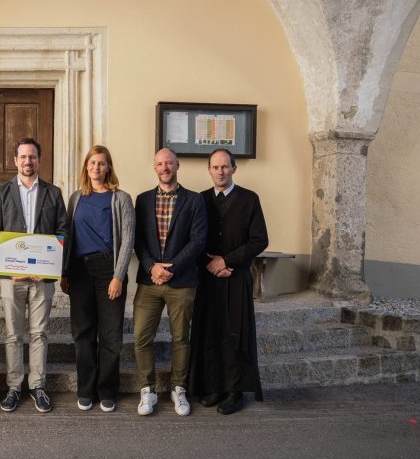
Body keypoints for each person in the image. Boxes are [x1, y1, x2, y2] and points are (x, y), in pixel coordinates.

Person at [0, 138, 68, 413]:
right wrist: (8, 266)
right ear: (15, 160)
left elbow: (62, 232)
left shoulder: (53, 193)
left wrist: (49, 266)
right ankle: (13, 386)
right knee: (13, 334)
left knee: (39, 333)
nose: (27, 161)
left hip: (42, 278)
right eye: (23, 157)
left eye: (32, 156)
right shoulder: (1, 192)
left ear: (39, 160)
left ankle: (37, 385)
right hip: (12, 278)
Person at [187, 148, 269, 415]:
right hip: (208, 279)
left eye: (225, 167)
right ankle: (213, 387)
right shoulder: (199, 200)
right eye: (215, 167)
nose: (220, 172)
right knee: (210, 332)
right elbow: (193, 239)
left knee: (235, 334)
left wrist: (227, 261)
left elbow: (259, 239)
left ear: (234, 168)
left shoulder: (249, 199)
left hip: (236, 277)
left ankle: (234, 391)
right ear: (209, 170)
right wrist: (210, 264)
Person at [133, 148, 207, 416]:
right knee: (141, 337)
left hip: (182, 281)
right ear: (154, 167)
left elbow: (198, 240)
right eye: (160, 163)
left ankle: (178, 388)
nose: (164, 167)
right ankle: (148, 389)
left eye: (169, 163)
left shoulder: (195, 200)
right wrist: (152, 266)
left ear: (178, 165)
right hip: (149, 280)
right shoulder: (142, 200)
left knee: (180, 338)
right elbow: (138, 239)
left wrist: (171, 269)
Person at [61, 145, 134, 412]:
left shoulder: (121, 198)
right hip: (79, 270)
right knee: (83, 333)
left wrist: (118, 276)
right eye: (92, 163)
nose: (96, 167)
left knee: (111, 334)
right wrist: (64, 272)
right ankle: (86, 389)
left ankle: (107, 390)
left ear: (108, 167)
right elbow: (68, 237)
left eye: (101, 163)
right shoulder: (75, 198)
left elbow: (128, 240)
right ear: (86, 167)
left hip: (108, 269)